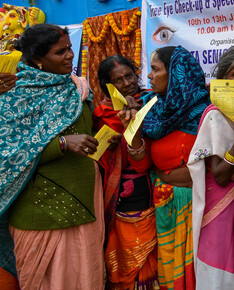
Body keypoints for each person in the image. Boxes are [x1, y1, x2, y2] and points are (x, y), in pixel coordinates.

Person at [0, 24, 104, 289]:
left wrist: (104, 137)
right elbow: (8, 155)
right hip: (40, 209)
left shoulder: (77, 87)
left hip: (86, 199)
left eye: (70, 48)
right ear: (37, 59)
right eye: (61, 51)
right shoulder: (12, 94)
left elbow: (85, 130)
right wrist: (61, 144)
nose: (70, 55)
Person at [122, 45, 210, 290]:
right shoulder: (150, 108)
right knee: (170, 274)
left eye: (155, 69)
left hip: (201, 206)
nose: (149, 76)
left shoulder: (206, 112)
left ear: (176, 74)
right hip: (164, 205)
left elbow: (217, 165)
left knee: (199, 273)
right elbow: (141, 165)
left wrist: (184, 177)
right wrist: (136, 134)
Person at [188, 46, 234, 289]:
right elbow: (219, 176)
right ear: (223, 80)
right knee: (219, 278)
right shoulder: (214, 115)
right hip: (221, 208)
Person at [93, 55, 158, 290]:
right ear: (108, 86)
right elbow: (97, 156)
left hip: (153, 187)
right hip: (119, 192)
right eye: (118, 80)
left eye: (129, 75)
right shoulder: (102, 113)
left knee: (155, 256)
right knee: (122, 252)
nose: (127, 83)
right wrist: (109, 148)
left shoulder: (153, 101)